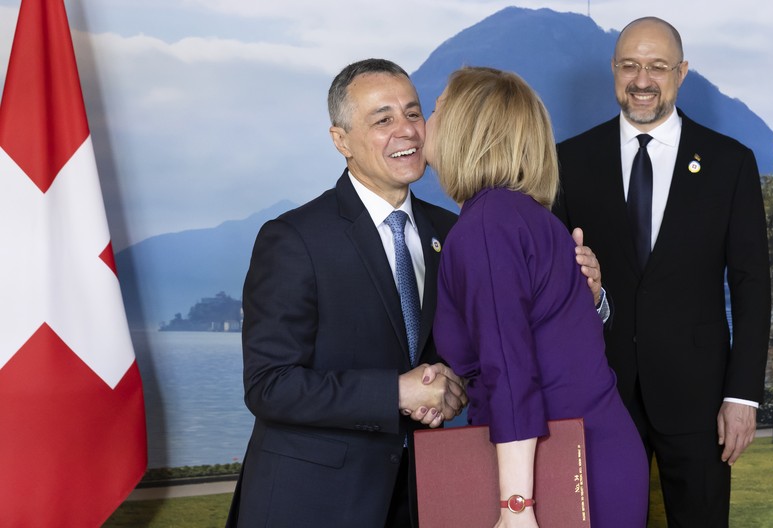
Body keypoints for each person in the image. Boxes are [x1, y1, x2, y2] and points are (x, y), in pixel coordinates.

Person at [225, 58, 469, 528]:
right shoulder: (294, 239)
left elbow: (471, 354)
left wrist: (454, 389)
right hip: (313, 503)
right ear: (341, 141)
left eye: (413, 114)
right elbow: (269, 385)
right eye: (384, 119)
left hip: (426, 496)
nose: (408, 132)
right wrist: (393, 391)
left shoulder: (453, 231)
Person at [552, 17, 772, 527]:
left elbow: (751, 284)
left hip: (700, 402)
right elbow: (560, 288)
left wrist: (741, 396)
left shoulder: (729, 163)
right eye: (630, 65)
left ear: (682, 72)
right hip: (599, 392)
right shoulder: (569, 161)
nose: (642, 79)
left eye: (656, 66)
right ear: (614, 70)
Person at [428, 66, 649, 528]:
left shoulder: (486, 227)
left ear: (466, 128)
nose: (424, 123)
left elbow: (509, 370)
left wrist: (516, 506)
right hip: (588, 455)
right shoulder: (527, 216)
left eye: (434, 110)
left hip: (559, 472)